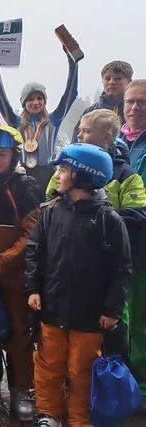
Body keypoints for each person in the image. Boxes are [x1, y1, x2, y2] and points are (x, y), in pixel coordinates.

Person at [26, 143, 132, 427]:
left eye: (63, 169)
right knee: (48, 365)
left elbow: (121, 269)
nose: (57, 175)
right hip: (52, 307)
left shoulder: (109, 220)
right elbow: (35, 251)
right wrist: (33, 288)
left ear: (84, 176)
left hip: (89, 316)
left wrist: (111, 310)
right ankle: (49, 415)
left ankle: (79, 419)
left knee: (82, 370)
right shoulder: (50, 211)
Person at [0, 126, 42, 421]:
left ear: (14, 155)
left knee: (18, 331)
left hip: (15, 273)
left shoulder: (27, 186)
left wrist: (7, 259)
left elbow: (33, 229)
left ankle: (22, 387)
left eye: (2, 153)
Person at [0, 45, 78, 190]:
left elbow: (70, 95)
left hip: (48, 173)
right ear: (24, 103)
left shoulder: (54, 120)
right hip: (22, 173)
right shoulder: (16, 122)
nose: (35, 102)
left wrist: (73, 62)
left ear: (44, 101)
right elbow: (0, 99)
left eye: (39, 98)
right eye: (30, 99)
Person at [120, 79, 146, 408]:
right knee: (116, 314)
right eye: (130, 102)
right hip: (112, 246)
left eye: (142, 102)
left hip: (141, 244)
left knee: (139, 317)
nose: (135, 108)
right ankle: (117, 377)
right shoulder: (113, 141)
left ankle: (139, 386)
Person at [71, 61, 133, 143]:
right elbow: (75, 142)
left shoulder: (135, 111)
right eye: (107, 78)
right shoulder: (91, 112)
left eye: (118, 78)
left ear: (129, 82)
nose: (112, 82)